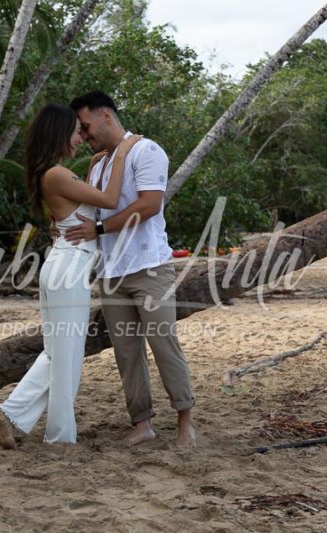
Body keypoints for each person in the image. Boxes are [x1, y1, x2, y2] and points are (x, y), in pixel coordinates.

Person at [0, 103, 141, 449]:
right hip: (68, 270)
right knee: (68, 357)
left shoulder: (53, 173)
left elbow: (77, 208)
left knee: (57, 352)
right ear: (60, 133)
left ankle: (13, 412)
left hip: (60, 267)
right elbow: (109, 198)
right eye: (76, 131)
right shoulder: (57, 174)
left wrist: (98, 162)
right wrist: (122, 152)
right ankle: (58, 436)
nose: (80, 137)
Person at [63, 91, 197, 448]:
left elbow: (150, 204)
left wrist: (102, 230)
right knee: (126, 352)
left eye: (87, 126)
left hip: (149, 268)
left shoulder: (146, 151)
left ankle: (185, 420)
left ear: (106, 115)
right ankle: (142, 423)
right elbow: (94, 211)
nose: (85, 134)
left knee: (163, 344)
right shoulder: (98, 163)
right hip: (111, 273)